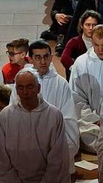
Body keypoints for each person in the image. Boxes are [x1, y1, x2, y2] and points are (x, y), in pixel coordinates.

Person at [0, 70, 74, 183]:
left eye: (29, 87)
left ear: (38, 88)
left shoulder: (54, 115)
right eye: (20, 88)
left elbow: (58, 160)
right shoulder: (6, 116)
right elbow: (1, 159)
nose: (25, 92)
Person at [24, 40, 79, 172]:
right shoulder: (23, 82)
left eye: (46, 56)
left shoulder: (61, 84)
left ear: (51, 57)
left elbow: (68, 117)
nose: (43, 61)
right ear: (30, 59)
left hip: (55, 141)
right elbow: (16, 115)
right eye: (38, 57)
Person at [70, 25, 103, 152]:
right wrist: (94, 119)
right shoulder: (81, 63)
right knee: (82, 135)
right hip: (90, 122)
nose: (100, 49)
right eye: (96, 44)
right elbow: (76, 97)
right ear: (91, 42)